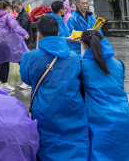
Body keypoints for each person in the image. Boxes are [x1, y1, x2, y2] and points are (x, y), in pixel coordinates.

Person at [20, 15, 88, 161]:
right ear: (58, 34)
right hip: (73, 107)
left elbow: (26, 79)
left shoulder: (29, 57)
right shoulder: (74, 57)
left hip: (46, 108)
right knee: (75, 145)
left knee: (47, 146)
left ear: (39, 34)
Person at [79, 30, 129, 161]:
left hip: (98, 120)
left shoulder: (82, 66)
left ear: (82, 44)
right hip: (124, 117)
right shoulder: (119, 64)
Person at [0, 1, 29, 92]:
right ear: (8, 7)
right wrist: (24, 33)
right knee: (5, 62)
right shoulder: (8, 16)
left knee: (0, 62)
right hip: (4, 42)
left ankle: (0, 82)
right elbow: (15, 26)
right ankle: (4, 83)